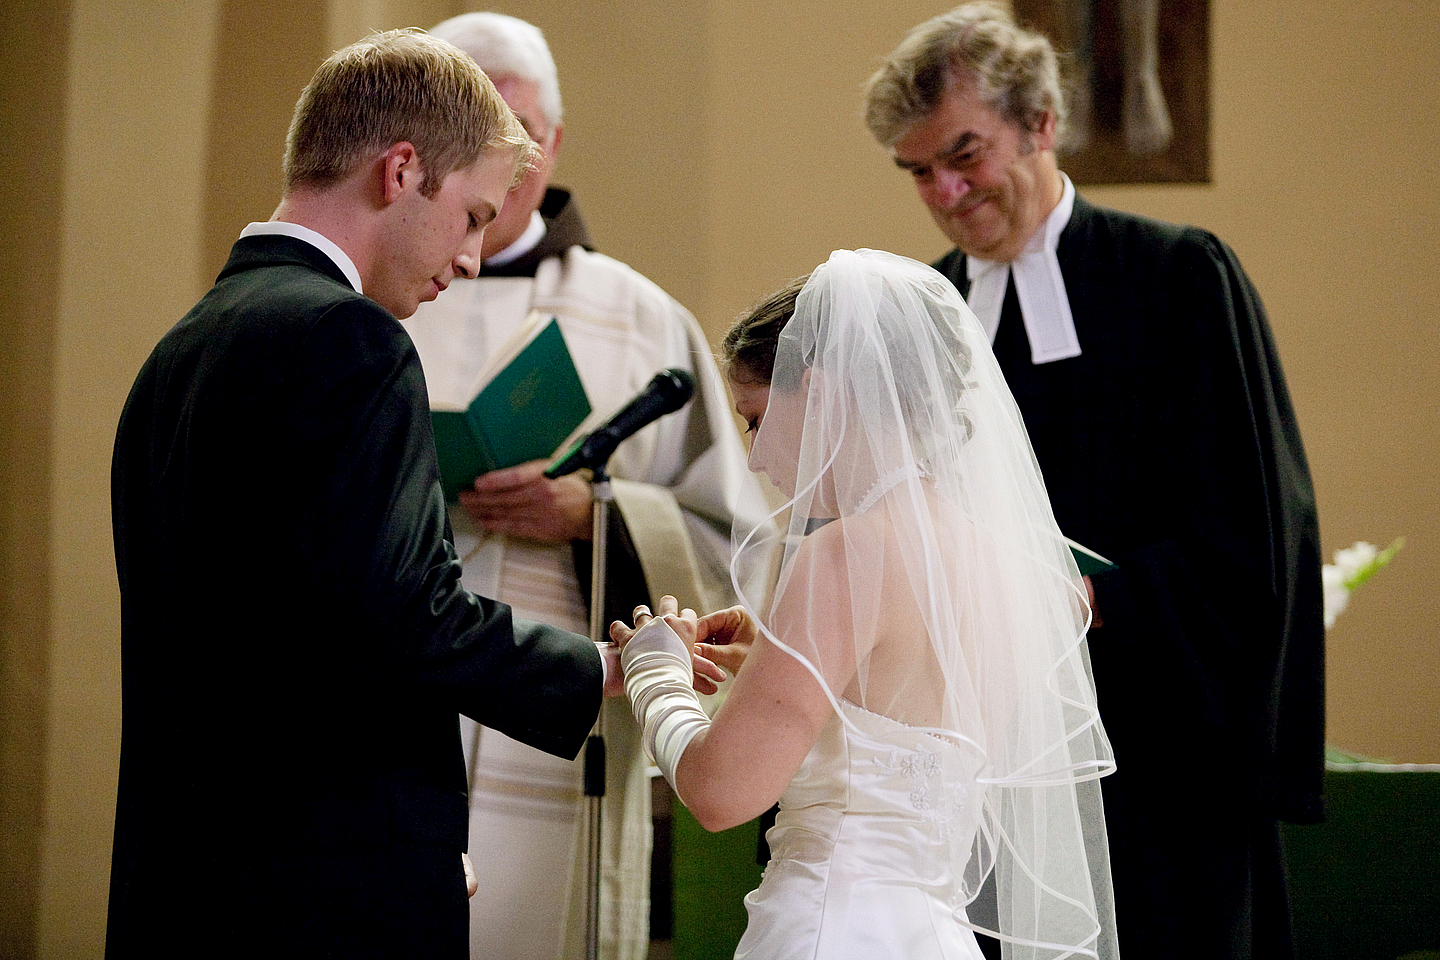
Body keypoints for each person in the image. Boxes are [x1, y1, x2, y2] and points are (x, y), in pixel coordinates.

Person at [104, 31, 675, 959]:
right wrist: (604, 669)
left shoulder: (183, 348)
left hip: (186, 879)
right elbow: (400, 613)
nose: (473, 258)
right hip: (317, 898)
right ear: (402, 170)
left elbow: (275, 638)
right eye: (474, 214)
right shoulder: (351, 341)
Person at [862, 5, 1325, 958]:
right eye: (918, 171)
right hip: (987, 759)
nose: (946, 192)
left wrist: (1092, 600)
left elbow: (1252, 538)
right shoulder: (928, 311)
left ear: (1041, 125)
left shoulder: (1178, 280)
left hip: (1160, 756)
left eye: (965, 154)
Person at [612, 249, 1120, 960]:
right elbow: (900, 706)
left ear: (819, 392)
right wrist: (773, 659)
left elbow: (720, 793)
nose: (755, 461)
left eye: (756, 421)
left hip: (833, 927)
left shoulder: (845, 554)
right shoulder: (1013, 566)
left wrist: (654, 670)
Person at [400, 13, 768, 960]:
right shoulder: (372, 304)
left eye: (513, 127)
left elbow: (739, 543)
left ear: (552, 141)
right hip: (401, 710)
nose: (496, 153)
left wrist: (595, 515)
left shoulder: (643, 319)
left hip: (567, 719)